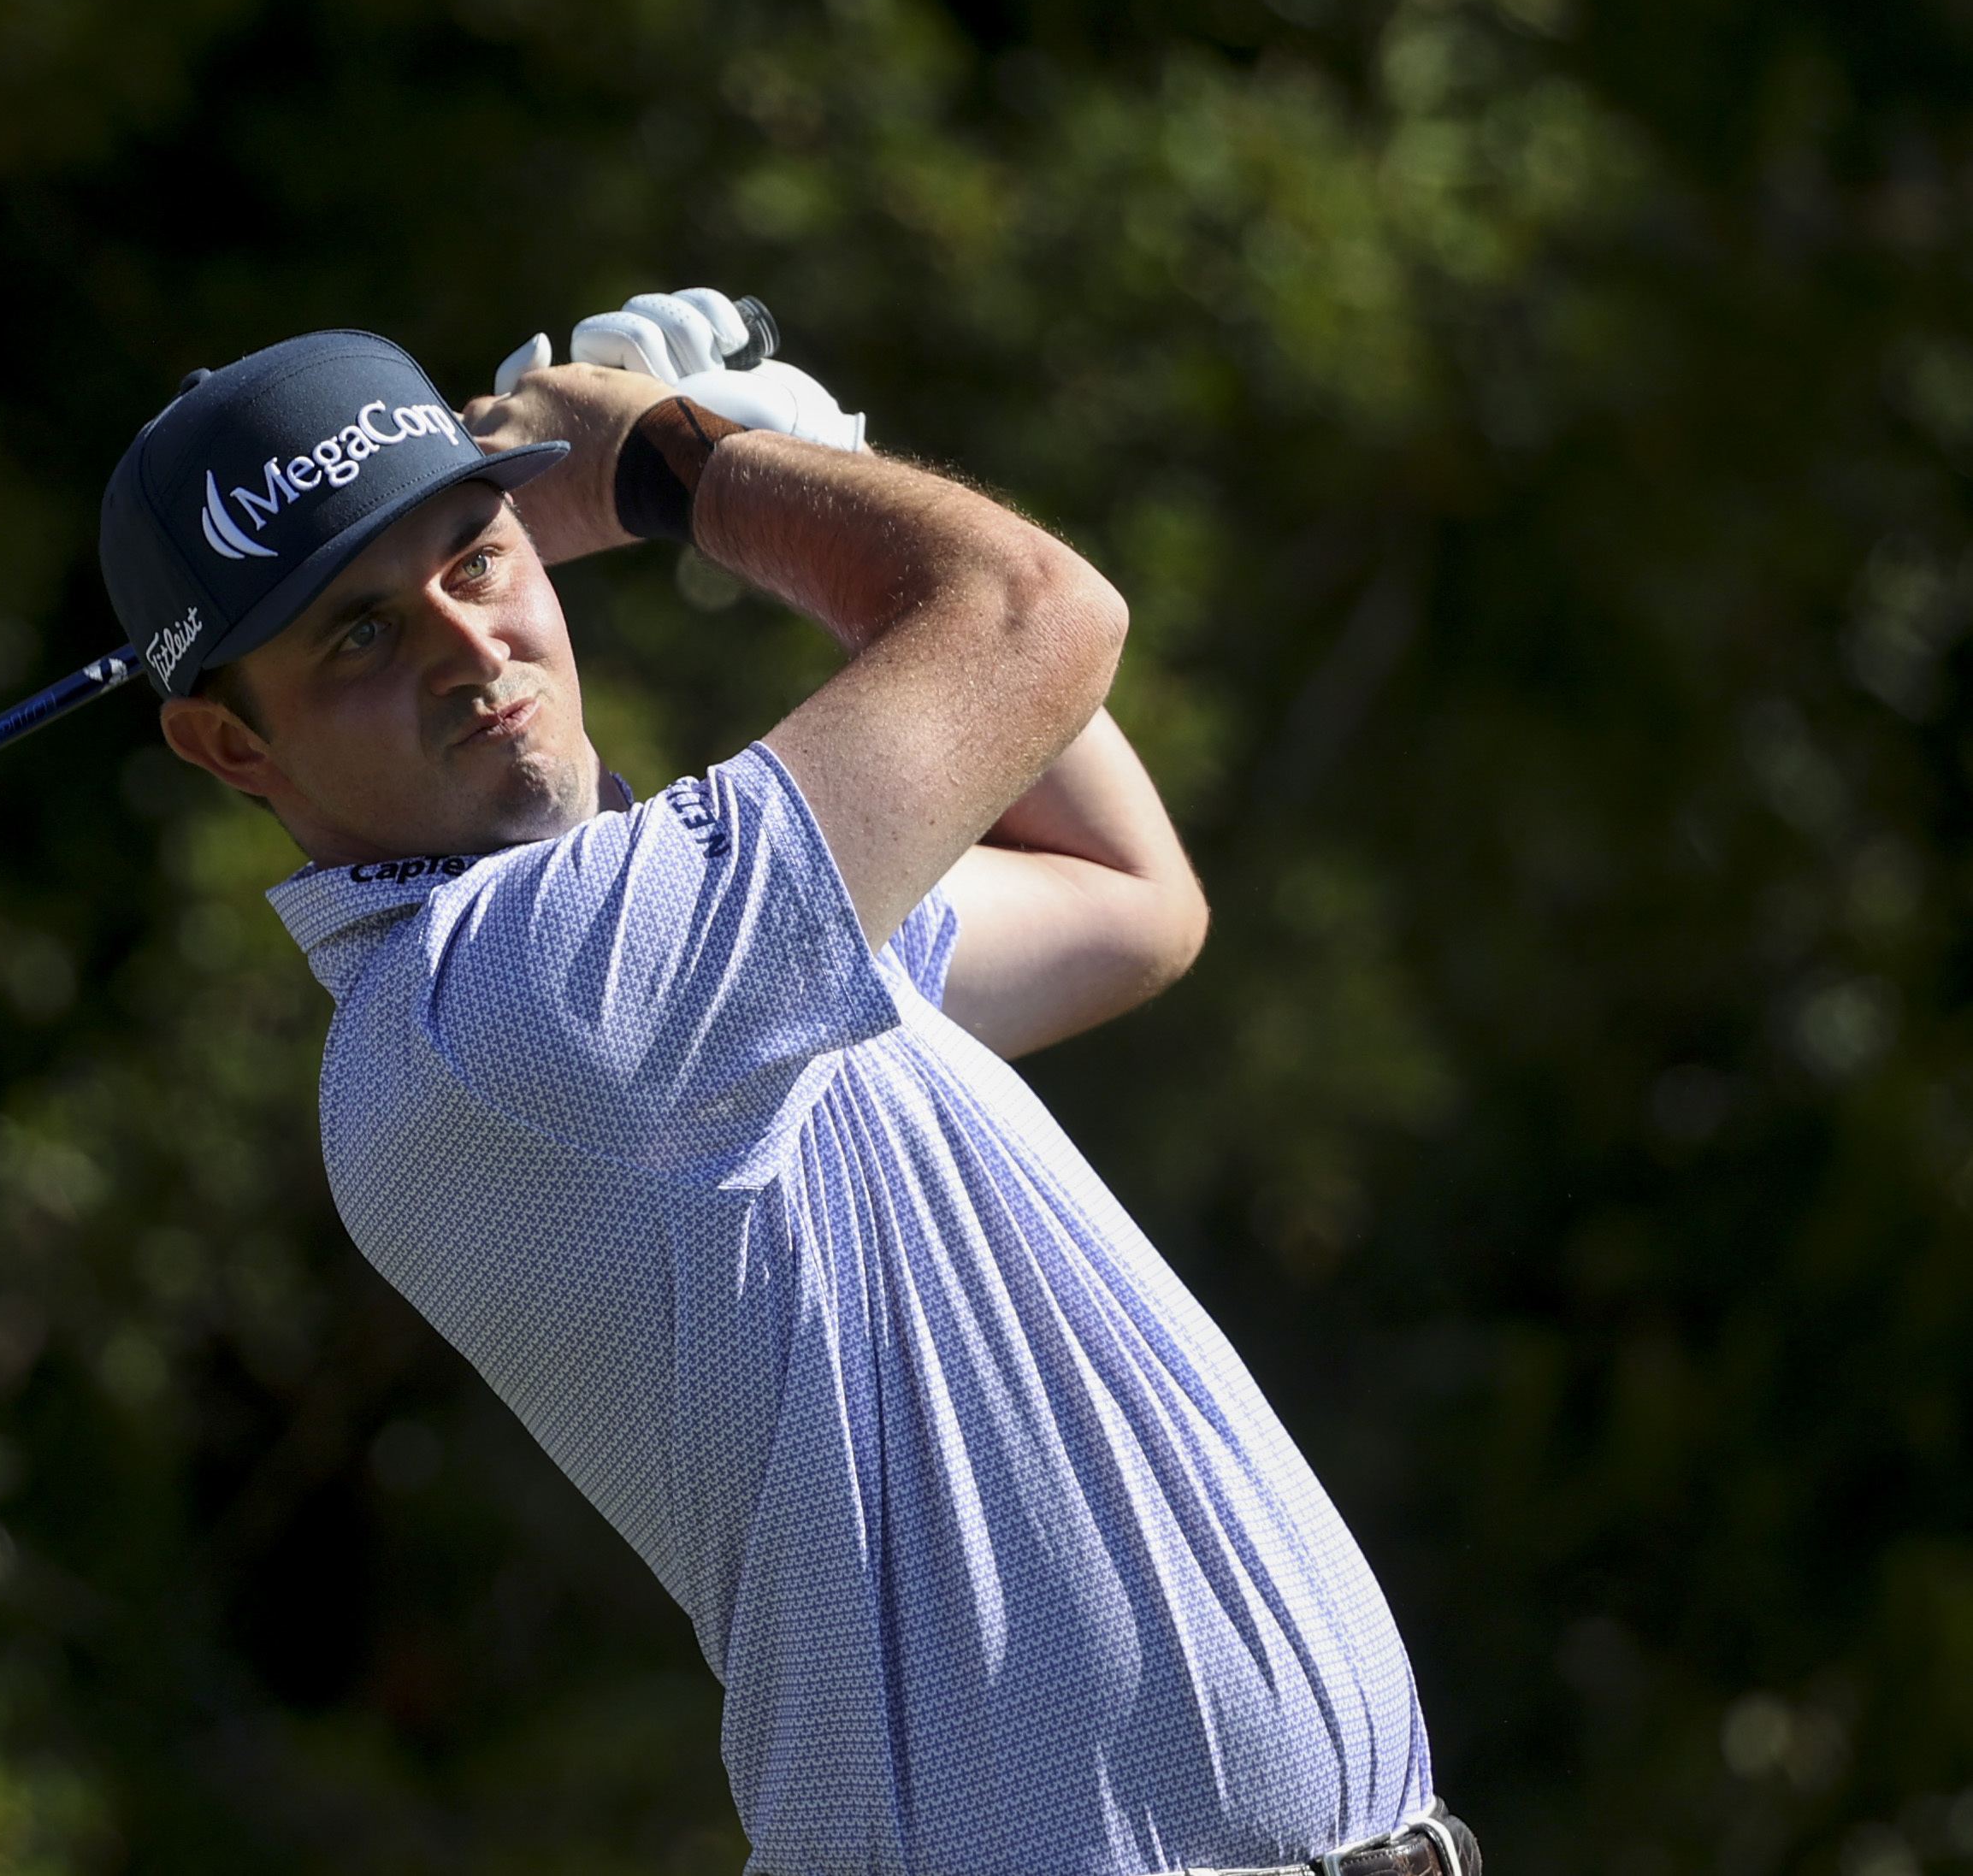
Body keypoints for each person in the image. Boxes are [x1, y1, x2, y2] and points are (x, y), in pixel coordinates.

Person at [95, 314, 1477, 1876]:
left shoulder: (690, 953)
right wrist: (678, 465)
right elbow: (1036, 613)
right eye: (355, 632)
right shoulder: (525, 998)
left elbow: (1127, 899)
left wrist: (822, 470)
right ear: (227, 740)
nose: (467, 648)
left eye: (475, 560)